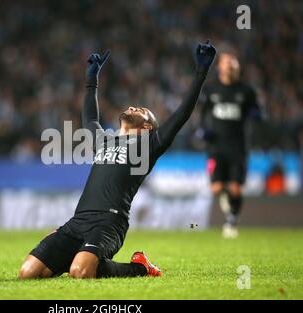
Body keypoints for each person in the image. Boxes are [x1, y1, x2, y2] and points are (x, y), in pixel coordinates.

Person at [18, 41, 216, 279]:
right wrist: (92, 80)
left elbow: (182, 114)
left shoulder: (149, 144)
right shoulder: (104, 141)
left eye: (141, 109)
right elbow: (90, 119)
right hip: (77, 221)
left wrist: (201, 73)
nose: (133, 106)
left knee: (80, 272)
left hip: (110, 222)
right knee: (27, 273)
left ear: (147, 127)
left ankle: (140, 268)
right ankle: (79, 253)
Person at [199, 48, 263, 238]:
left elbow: (259, 112)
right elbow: (203, 114)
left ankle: (232, 218)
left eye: (233, 64)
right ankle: (230, 210)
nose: (230, 67)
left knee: (235, 187)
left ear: (237, 68)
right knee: (216, 187)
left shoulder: (247, 91)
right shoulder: (211, 90)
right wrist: (203, 130)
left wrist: (256, 114)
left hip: (238, 147)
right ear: (220, 67)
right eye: (227, 63)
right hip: (216, 147)